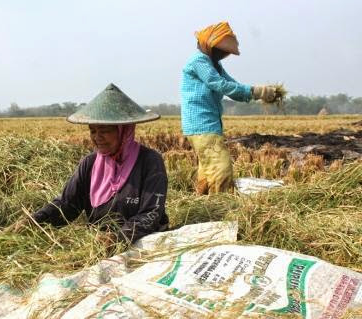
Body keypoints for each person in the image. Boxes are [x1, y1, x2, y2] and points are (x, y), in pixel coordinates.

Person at [20, 83, 169, 245]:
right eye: (93, 131)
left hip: (144, 244)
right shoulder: (89, 164)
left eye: (104, 131)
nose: (97, 137)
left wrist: (120, 237)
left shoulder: (150, 161)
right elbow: (67, 204)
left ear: (124, 131)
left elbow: (150, 213)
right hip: (99, 244)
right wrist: (35, 221)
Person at [181, 22, 278, 194]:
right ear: (210, 46)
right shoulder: (199, 61)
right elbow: (219, 84)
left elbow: (231, 85)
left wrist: (258, 92)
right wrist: (254, 91)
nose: (224, 55)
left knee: (208, 168)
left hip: (208, 124)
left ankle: (202, 202)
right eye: (222, 50)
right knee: (221, 168)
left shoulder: (214, 64)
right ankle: (221, 207)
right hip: (201, 124)